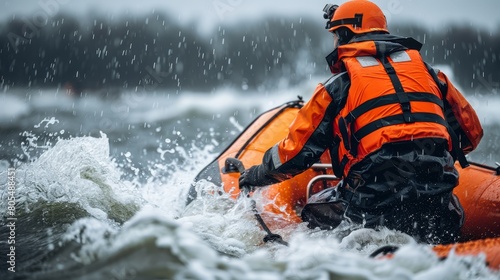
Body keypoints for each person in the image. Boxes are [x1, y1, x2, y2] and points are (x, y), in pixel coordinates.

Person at [238, 0, 483, 244]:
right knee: (446, 211)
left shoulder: (338, 87)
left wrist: (256, 174)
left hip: (371, 206)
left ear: (345, 34)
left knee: (313, 210)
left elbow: (295, 154)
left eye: (335, 35)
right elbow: (471, 135)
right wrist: (423, 150)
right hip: (434, 203)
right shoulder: (431, 75)